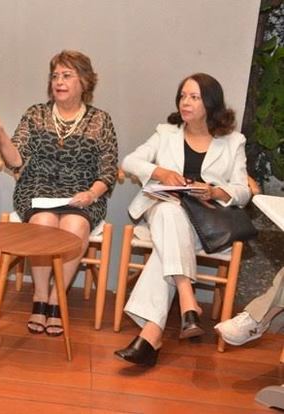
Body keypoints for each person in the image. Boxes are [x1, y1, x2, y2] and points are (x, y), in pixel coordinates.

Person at [114, 73, 251, 366]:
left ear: (211, 103)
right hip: (163, 208)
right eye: (182, 96)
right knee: (169, 209)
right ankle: (188, 298)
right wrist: (161, 173)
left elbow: (242, 191)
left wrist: (214, 190)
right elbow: (129, 162)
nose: (185, 102)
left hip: (204, 221)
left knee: (167, 237)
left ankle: (152, 334)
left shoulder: (232, 141)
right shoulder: (166, 132)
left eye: (194, 97)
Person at [0, 50, 118, 336]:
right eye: (55, 76)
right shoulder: (37, 114)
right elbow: (15, 160)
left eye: (66, 75)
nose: (59, 81)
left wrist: (92, 194)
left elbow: (107, 171)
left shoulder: (100, 121)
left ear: (84, 82)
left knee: (74, 225)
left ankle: (58, 299)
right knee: (43, 225)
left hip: (82, 193)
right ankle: (40, 297)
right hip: (38, 187)